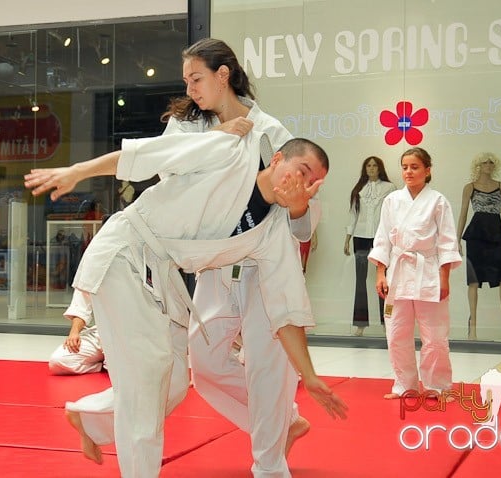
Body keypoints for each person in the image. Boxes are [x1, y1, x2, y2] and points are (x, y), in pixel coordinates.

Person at [24, 133, 348, 478]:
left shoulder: (271, 235)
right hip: (126, 253)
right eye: (301, 171)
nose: (303, 185)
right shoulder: (230, 155)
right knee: (149, 378)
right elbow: (152, 154)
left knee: (176, 380)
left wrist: (310, 376)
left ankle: (91, 420)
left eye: (313, 184)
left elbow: (287, 310)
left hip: (162, 276)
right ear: (278, 158)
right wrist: (80, 171)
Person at [163, 38, 321, 477]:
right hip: (218, 261)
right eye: (186, 81)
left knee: (268, 369)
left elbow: (305, 222)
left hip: (268, 264)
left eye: (197, 78)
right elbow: (166, 170)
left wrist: (298, 205)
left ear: (223, 75)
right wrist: (213, 140)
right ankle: (283, 422)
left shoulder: (272, 132)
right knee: (207, 363)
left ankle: (270, 466)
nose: (191, 89)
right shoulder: (188, 127)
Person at [368, 147, 462, 399]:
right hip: (397, 272)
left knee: (435, 336)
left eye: (415, 167)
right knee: (397, 332)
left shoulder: (438, 201)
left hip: (428, 271)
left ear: (427, 170)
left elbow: (447, 242)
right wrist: (380, 273)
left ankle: (437, 386)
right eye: (405, 167)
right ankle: (404, 385)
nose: (408, 172)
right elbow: (383, 239)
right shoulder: (392, 201)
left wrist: (444, 278)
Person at [456, 152, 501, 342]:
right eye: (484, 162)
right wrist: (457, 239)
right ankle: (473, 330)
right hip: (476, 236)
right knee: (474, 282)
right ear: (478, 165)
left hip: (496, 235)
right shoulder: (470, 188)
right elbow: (462, 214)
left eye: (491, 162)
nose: (488, 165)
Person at [344, 156, 396, 336]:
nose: (371, 168)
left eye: (374, 166)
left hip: (381, 238)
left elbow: (393, 215)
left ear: (379, 168)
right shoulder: (359, 189)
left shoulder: (389, 188)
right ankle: (360, 324)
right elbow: (353, 214)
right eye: (368, 166)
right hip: (360, 237)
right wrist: (347, 237)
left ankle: (387, 323)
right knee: (360, 280)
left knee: (384, 282)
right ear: (365, 168)